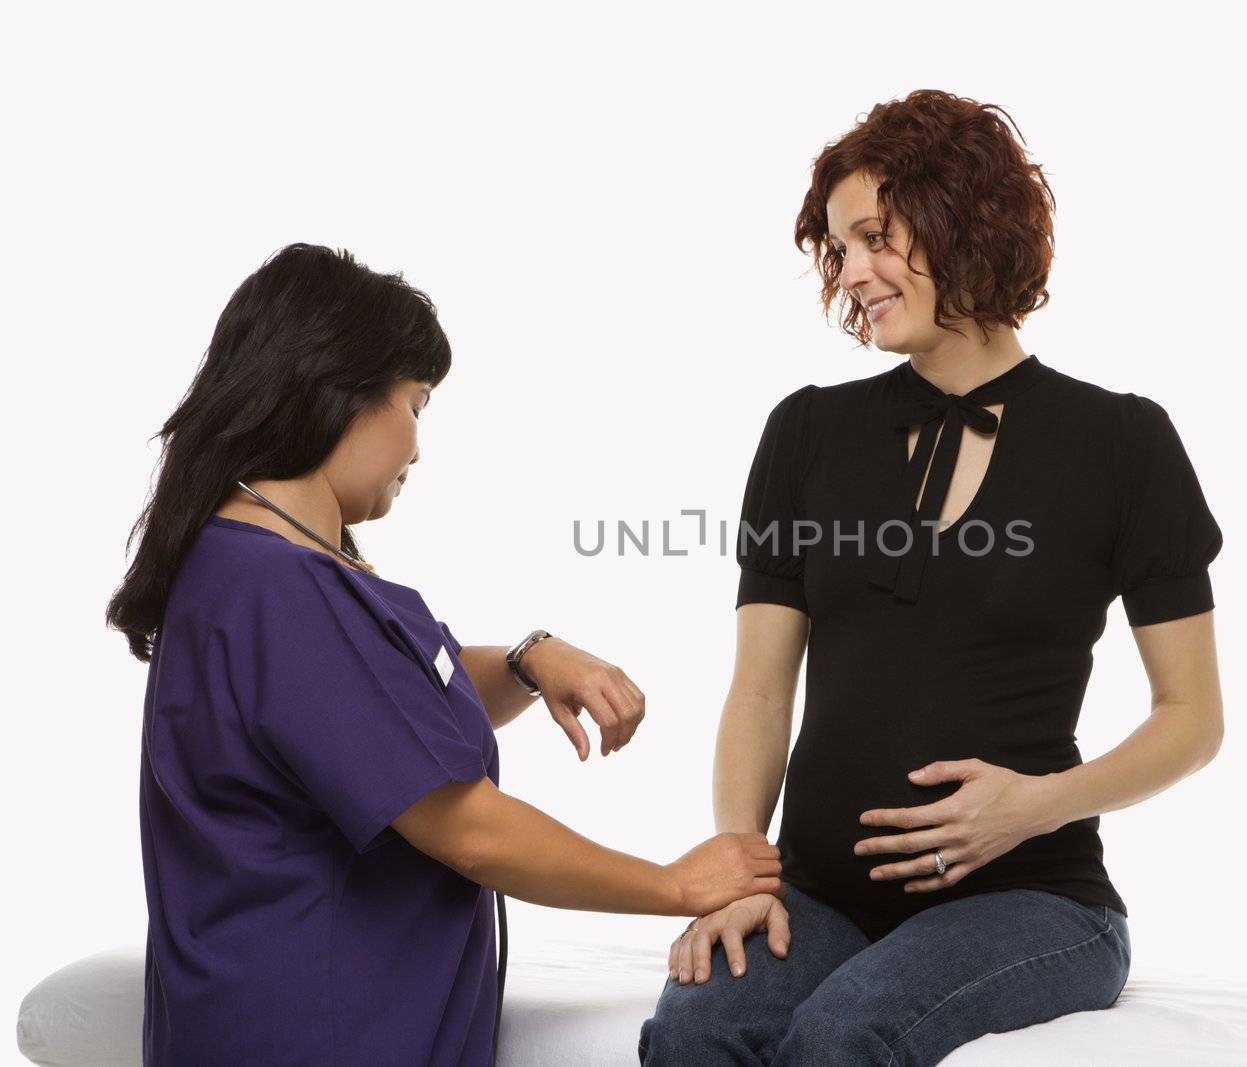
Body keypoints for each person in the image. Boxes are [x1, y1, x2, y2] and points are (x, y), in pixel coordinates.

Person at [639, 90, 1226, 1065]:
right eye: (836, 247)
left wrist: (1034, 802)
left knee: (843, 1033)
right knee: (695, 1030)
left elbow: (1192, 716)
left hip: (1033, 899)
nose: (850, 271)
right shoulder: (808, 430)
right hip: (817, 894)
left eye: (875, 235)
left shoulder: (1122, 440)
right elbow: (757, 683)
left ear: (966, 216)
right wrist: (739, 867)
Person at [108, 244, 782, 1067]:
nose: (417, 447)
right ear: (342, 392)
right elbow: (471, 832)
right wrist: (675, 882)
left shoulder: (243, 567)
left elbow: (386, 712)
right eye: (416, 404)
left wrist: (530, 660)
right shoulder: (278, 591)